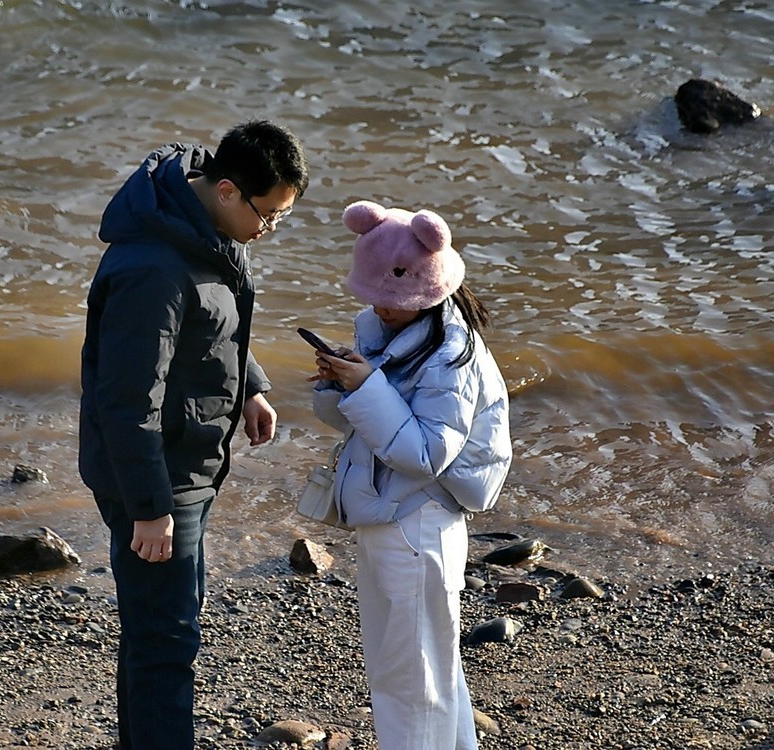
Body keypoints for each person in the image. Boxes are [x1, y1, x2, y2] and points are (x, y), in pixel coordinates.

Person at [79, 120, 310, 749]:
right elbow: (127, 404)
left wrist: (250, 386)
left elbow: (217, 320)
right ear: (230, 190)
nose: (270, 229)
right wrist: (150, 511)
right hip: (154, 478)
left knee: (160, 628)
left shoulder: (203, 227)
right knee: (167, 638)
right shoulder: (153, 271)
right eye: (270, 214)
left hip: (185, 464)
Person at [309, 200, 512, 750]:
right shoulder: (385, 331)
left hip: (419, 521)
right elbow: (356, 428)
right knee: (424, 666)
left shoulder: (451, 354)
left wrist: (364, 387)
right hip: (391, 514)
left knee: (411, 675)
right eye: (371, 294)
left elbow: (425, 454)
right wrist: (339, 382)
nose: (379, 306)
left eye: (391, 297)